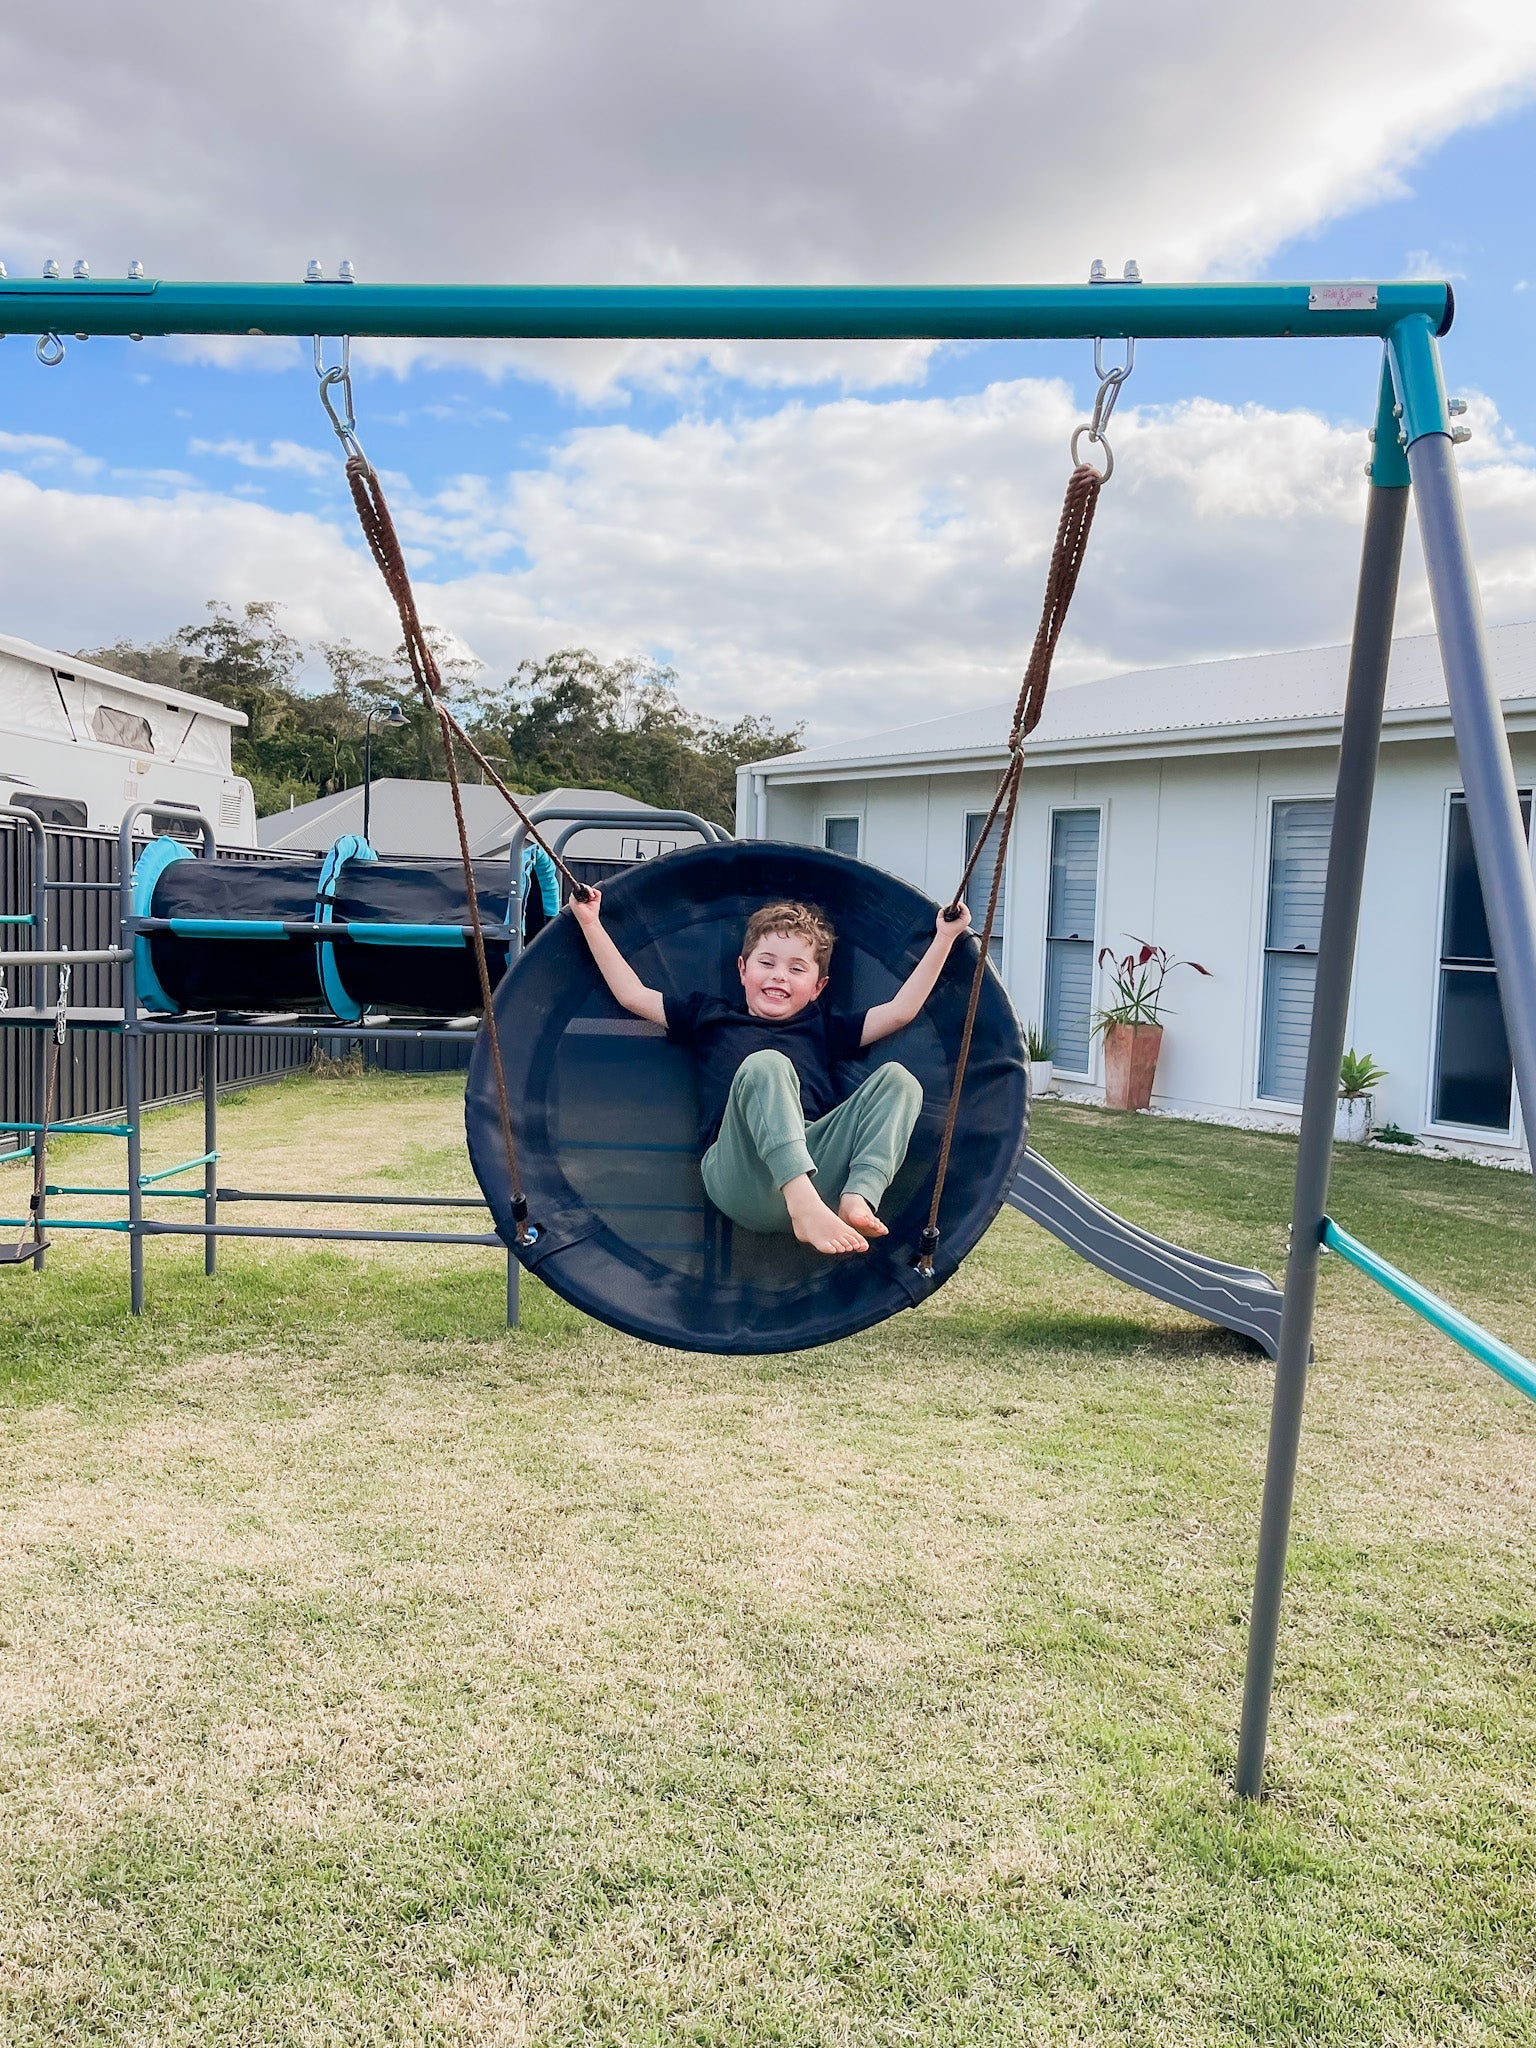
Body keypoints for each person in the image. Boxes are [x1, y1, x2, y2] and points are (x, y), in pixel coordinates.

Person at [570, 891, 973, 1256]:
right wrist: (590, 923)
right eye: (767, 963)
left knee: (899, 1081)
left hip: (817, 1169)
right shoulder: (709, 1016)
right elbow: (632, 994)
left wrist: (944, 938)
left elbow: (901, 1011)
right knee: (767, 1064)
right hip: (739, 1173)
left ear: (818, 987)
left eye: (797, 969)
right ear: (743, 969)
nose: (779, 975)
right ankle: (802, 1203)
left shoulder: (824, 1027)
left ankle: (858, 1197)